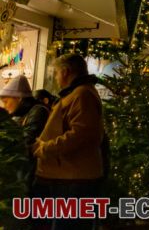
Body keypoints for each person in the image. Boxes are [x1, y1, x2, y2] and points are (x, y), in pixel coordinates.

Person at [32, 54, 105, 228]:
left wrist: (45, 148)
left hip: (73, 178)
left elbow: (80, 134)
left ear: (65, 72)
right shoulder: (78, 93)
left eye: (57, 73)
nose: (56, 78)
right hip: (69, 175)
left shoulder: (81, 95)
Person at [0, 75, 49, 190]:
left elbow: (25, 141)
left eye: (6, 101)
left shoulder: (38, 111)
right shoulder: (20, 115)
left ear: (19, 98)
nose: (4, 106)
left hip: (35, 178)